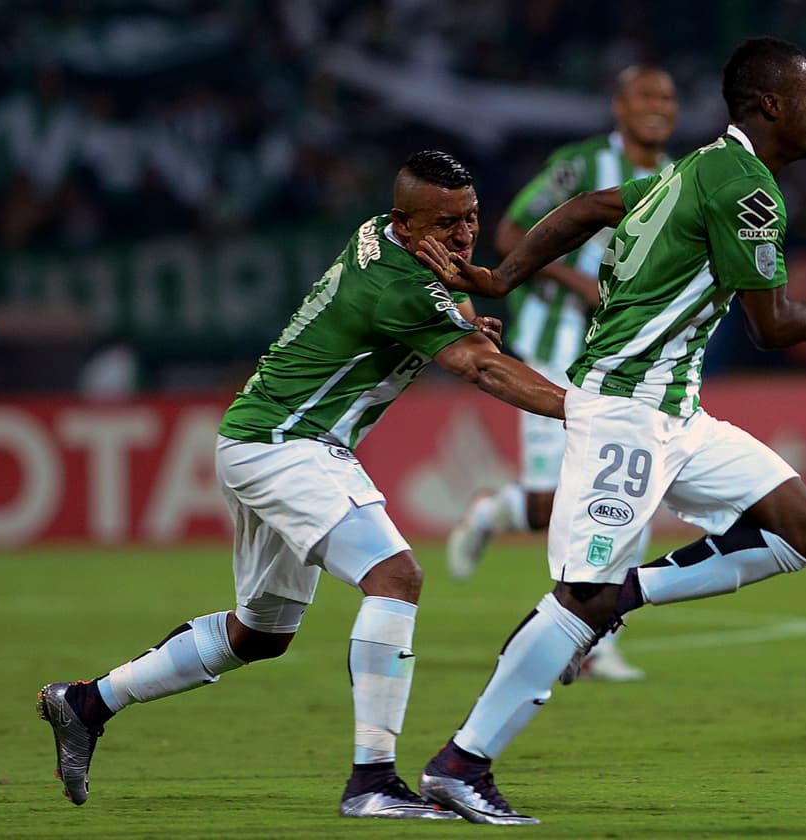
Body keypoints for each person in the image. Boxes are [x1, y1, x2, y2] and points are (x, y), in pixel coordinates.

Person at [410, 37, 806, 824]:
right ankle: (461, 763)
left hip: (677, 413)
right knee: (581, 597)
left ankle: (632, 593)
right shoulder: (746, 189)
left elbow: (593, 208)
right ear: (771, 105)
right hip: (625, 411)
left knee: (801, 527)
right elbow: (773, 328)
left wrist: (506, 276)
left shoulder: (693, 168)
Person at [36, 151, 567, 820]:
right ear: (407, 223)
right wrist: (584, 410)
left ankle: (86, 702)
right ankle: (372, 780)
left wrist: (463, 312)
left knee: (260, 632)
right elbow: (483, 371)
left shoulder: (383, 232)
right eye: (447, 223)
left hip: (258, 439)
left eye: (472, 218)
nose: (463, 236)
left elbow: (448, 292)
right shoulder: (396, 284)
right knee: (395, 577)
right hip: (290, 444)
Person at [446, 65, 679, 682]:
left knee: (615, 494)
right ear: (619, 106)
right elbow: (510, 230)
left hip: (628, 360)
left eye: (668, 98)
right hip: (555, 347)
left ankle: (587, 627)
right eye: (646, 96)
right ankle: (508, 526)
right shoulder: (580, 165)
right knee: (572, 498)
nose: (658, 107)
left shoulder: (680, 178)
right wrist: (579, 281)